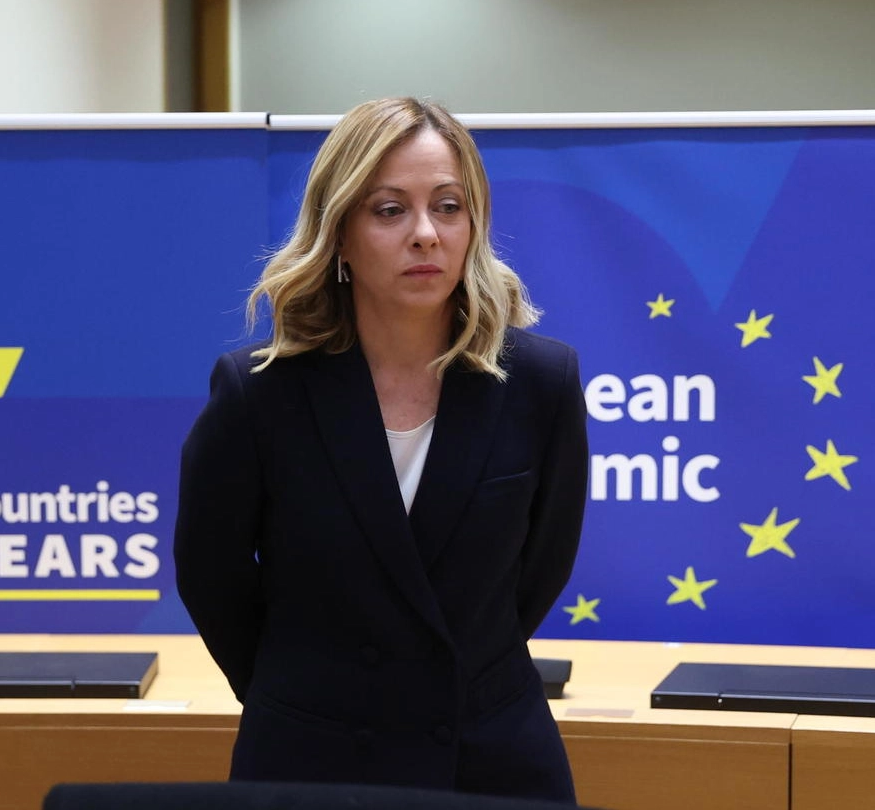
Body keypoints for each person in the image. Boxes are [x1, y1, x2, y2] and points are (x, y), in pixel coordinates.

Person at [173, 97, 587, 803]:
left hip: (489, 755)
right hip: (312, 759)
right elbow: (211, 579)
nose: (426, 234)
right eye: (389, 210)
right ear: (340, 234)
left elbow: (536, 574)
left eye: (448, 206)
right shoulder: (259, 393)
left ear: (475, 223)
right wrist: (306, 697)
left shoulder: (541, 382)